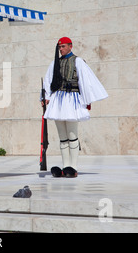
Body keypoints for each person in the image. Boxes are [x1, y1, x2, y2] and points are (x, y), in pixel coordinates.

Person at [41, 37, 108, 177]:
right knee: (62, 136)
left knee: (72, 135)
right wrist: (45, 97)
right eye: (60, 47)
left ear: (70, 47)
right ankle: (66, 166)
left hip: (72, 100)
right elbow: (48, 80)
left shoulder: (78, 61)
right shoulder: (55, 62)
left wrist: (86, 100)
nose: (61, 49)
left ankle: (73, 167)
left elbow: (86, 81)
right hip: (57, 100)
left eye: (64, 46)